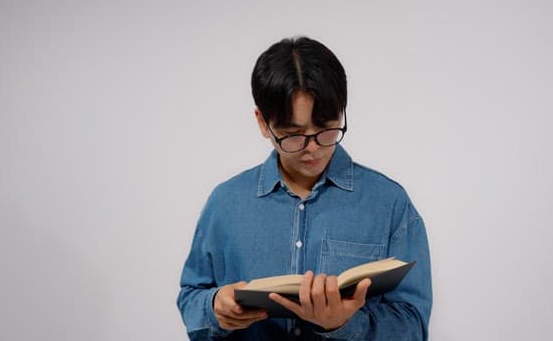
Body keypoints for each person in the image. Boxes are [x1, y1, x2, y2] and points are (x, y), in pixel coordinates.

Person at [177, 36, 432, 340]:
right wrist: (215, 306)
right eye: (293, 135)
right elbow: (190, 297)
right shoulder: (225, 203)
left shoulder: (390, 203)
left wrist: (344, 324)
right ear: (262, 122)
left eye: (326, 130)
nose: (312, 149)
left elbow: (414, 326)